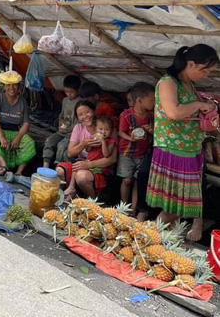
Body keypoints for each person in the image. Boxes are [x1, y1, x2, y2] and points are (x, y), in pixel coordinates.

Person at [147, 44, 219, 242]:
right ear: (191, 64)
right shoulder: (168, 82)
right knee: (178, 206)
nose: (206, 75)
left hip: (190, 150)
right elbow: (173, 112)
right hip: (174, 150)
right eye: (205, 70)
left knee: (177, 206)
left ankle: (157, 241)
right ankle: (149, 238)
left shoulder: (189, 85)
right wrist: (199, 104)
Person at [57, 102, 117, 199]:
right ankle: (63, 196)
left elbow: (112, 159)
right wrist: (84, 144)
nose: (85, 116)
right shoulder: (79, 128)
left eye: (87, 112)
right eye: (80, 115)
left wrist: (89, 164)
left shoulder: (107, 128)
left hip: (99, 168)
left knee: (81, 176)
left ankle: (92, 201)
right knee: (59, 171)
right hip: (82, 164)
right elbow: (70, 153)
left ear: (94, 111)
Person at [0, 73, 35, 176]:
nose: (12, 88)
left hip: (15, 131)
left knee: (30, 143)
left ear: (19, 86)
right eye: (8, 85)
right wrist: (1, 136)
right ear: (4, 86)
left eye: (15, 85)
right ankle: (3, 165)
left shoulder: (22, 101)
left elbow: (26, 123)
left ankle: (19, 172)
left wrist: (18, 137)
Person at [117, 82, 155, 218]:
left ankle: (133, 210)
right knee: (127, 180)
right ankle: (123, 206)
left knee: (138, 181)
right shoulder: (126, 115)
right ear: (139, 100)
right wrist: (131, 138)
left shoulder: (151, 116)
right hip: (127, 153)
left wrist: (152, 130)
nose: (154, 102)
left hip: (143, 153)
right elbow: (121, 132)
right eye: (151, 100)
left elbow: (155, 132)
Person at [43, 75, 81, 168]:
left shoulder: (80, 103)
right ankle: (45, 166)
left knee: (61, 145)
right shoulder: (65, 100)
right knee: (49, 141)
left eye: (71, 92)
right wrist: (60, 123)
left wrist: (68, 130)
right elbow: (62, 115)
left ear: (78, 90)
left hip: (72, 134)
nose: (69, 94)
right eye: (66, 91)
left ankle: (58, 168)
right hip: (62, 131)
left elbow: (79, 123)